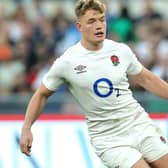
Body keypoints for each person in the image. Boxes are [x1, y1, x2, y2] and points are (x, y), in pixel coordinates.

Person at [20, 0, 168, 167]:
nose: (99, 25)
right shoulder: (67, 62)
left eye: (102, 19)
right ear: (79, 26)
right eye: (91, 21)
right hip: (108, 138)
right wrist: (27, 127)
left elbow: (146, 79)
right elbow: (41, 94)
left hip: (138, 124)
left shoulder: (120, 50)